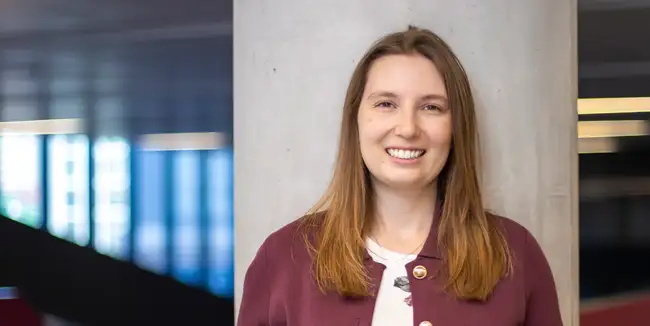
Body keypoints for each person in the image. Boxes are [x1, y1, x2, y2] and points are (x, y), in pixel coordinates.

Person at [237, 26, 563, 326]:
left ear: (456, 127)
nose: (407, 128)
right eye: (386, 104)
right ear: (356, 120)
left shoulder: (514, 254)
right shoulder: (284, 257)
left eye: (431, 107)